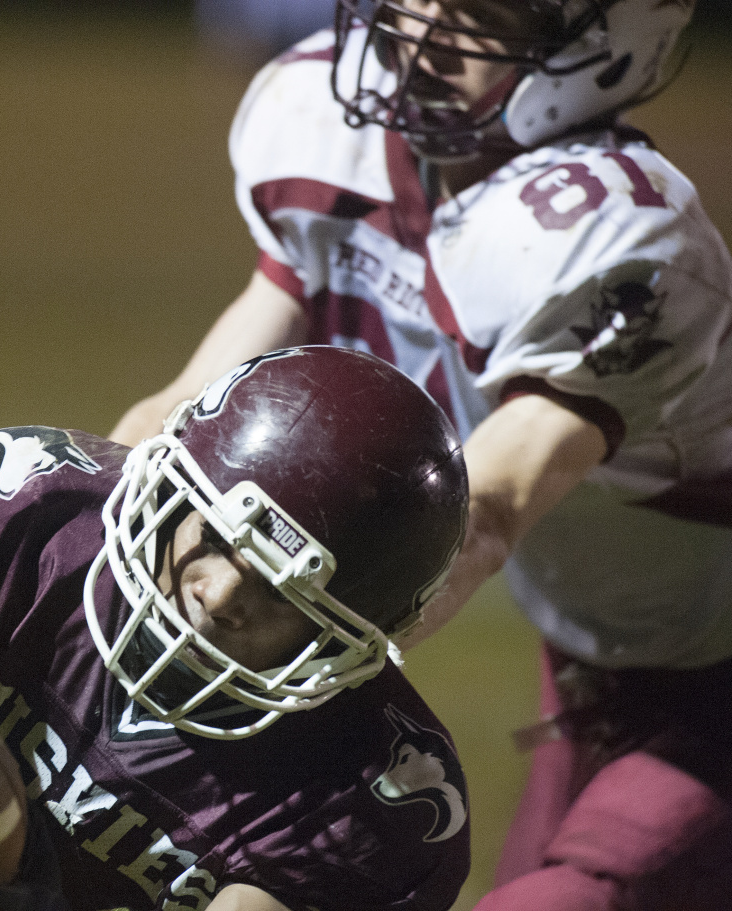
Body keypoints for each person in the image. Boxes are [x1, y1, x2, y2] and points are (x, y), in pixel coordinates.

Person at [109, 1, 732, 909]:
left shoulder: (617, 229)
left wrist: (263, 664)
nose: (426, 26)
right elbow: (194, 407)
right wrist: (76, 552)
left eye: (480, 6)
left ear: (604, 39)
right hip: (606, 651)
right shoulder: (318, 120)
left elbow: (481, 512)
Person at [0, 346, 473, 911]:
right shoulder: (31, 517)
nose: (216, 595)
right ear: (172, 481)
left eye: (283, 593)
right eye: (213, 539)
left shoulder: (366, 798)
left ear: (351, 631)